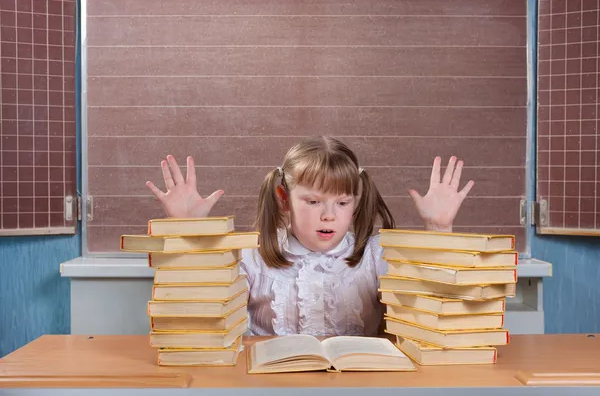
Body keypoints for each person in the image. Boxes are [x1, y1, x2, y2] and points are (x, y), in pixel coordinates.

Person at [146, 136, 474, 336]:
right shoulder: (252, 256)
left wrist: (439, 228)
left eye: (341, 202)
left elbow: (433, 305)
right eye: (313, 201)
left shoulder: (376, 255)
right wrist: (187, 229)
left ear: (355, 201)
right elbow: (200, 308)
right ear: (284, 199)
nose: (328, 214)